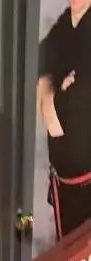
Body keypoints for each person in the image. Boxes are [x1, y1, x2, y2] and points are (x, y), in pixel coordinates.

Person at [38, 0, 91, 238]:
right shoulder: (65, 25)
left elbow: (57, 120)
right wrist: (51, 88)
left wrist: (49, 93)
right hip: (65, 191)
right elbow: (36, 68)